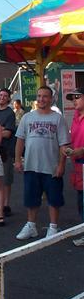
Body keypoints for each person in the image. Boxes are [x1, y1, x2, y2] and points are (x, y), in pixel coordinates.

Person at [15, 86, 70, 240]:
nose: (41, 99)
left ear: (51, 99)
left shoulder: (58, 118)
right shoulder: (27, 117)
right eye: (39, 96)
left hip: (52, 167)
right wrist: (18, 159)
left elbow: (64, 144)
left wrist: (61, 164)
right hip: (31, 166)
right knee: (31, 198)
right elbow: (20, 140)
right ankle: (31, 226)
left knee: (54, 198)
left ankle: (53, 227)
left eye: (45, 96)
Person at [0, 88, 16, 218]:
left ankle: (5, 205)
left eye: (5, 96)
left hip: (5, 150)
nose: (2, 97)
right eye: (0, 95)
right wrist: (0, 130)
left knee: (6, 179)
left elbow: (8, 133)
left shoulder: (10, 113)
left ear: (8, 98)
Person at [63, 88, 84, 245]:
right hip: (78, 165)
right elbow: (74, 140)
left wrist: (80, 150)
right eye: (73, 98)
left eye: (77, 97)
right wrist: (69, 149)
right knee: (80, 201)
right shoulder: (76, 117)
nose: (74, 100)